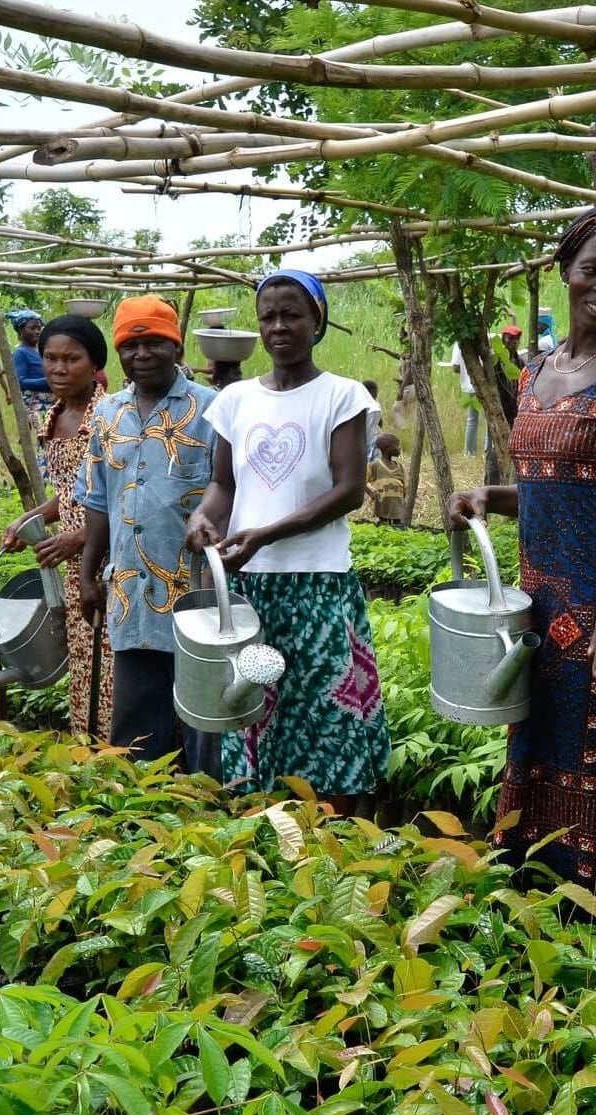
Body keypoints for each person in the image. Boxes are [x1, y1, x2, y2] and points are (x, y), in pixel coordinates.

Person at [448, 208, 596, 932]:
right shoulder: (534, 374)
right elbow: (563, 489)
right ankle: (538, 924)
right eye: (594, 270)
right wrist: (491, 496)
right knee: (538, 759)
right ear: (565, 268)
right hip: (537, 616)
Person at [184, 270, 389, 805]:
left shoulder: (342, 397)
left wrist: (268, 533)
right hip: (250, 587)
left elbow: (349, 491)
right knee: (250, 709)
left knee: (328, 715)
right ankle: (266, 835)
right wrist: (204, 518)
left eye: (292, 314)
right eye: (268, 316)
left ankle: (338, 837)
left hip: (320, 584)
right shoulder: (235, 401)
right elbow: (223, 485)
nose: (279, 326)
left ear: (317, 321)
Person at [76, 296, 219, 774]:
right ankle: (141, 816)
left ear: (175, 346)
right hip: (130, 588)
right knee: (137, 721)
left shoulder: (211, 410)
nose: (142, 353)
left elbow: (231, 490)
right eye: (130, 344)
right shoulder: (108, 414)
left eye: (154, 341)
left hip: (195, 592)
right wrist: (87, 572)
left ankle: (207, 814)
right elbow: (98, 499)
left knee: (205, 715)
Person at [1, 315, 114, 740]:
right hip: (70, 559)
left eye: (72, 359)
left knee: (112, 657)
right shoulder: (54, 416)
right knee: (83, 655)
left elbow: (126, 497)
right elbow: (68, 493)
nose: (59, 369)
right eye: (50, 358)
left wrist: (80, 537)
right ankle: (87, 746)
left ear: (95, 363)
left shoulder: (110, 416)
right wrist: (27, 520)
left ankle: (122, 753)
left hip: (110, 555)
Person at [8, 309, 55, 423]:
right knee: (45, 436)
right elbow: (20, 382)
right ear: (21, 330)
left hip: (53, 400)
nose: (37, 331)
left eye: (39, 328)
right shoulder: (20, 352)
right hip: (36, 403)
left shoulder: (41, 351)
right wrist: (47, 381)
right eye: (33, 328)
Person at [450, 340, 487, 457]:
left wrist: (467, 370)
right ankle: (488, 451)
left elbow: (455, 367)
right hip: (485, 384)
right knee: (490, 420)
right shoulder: (483, 338)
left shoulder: (459, 341)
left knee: (472, 421)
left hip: (469, 386)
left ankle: (469, 453)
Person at [367, 431, 407, 525]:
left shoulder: (400, 467)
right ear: (387, 448)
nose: (399, 448)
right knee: (383, 526)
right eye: (397, 445)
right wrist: (370, 491)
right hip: (382, 507)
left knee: (398, 527)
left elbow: (405, 487)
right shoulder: (375, 466)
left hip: (398, 508)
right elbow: (362, 480)